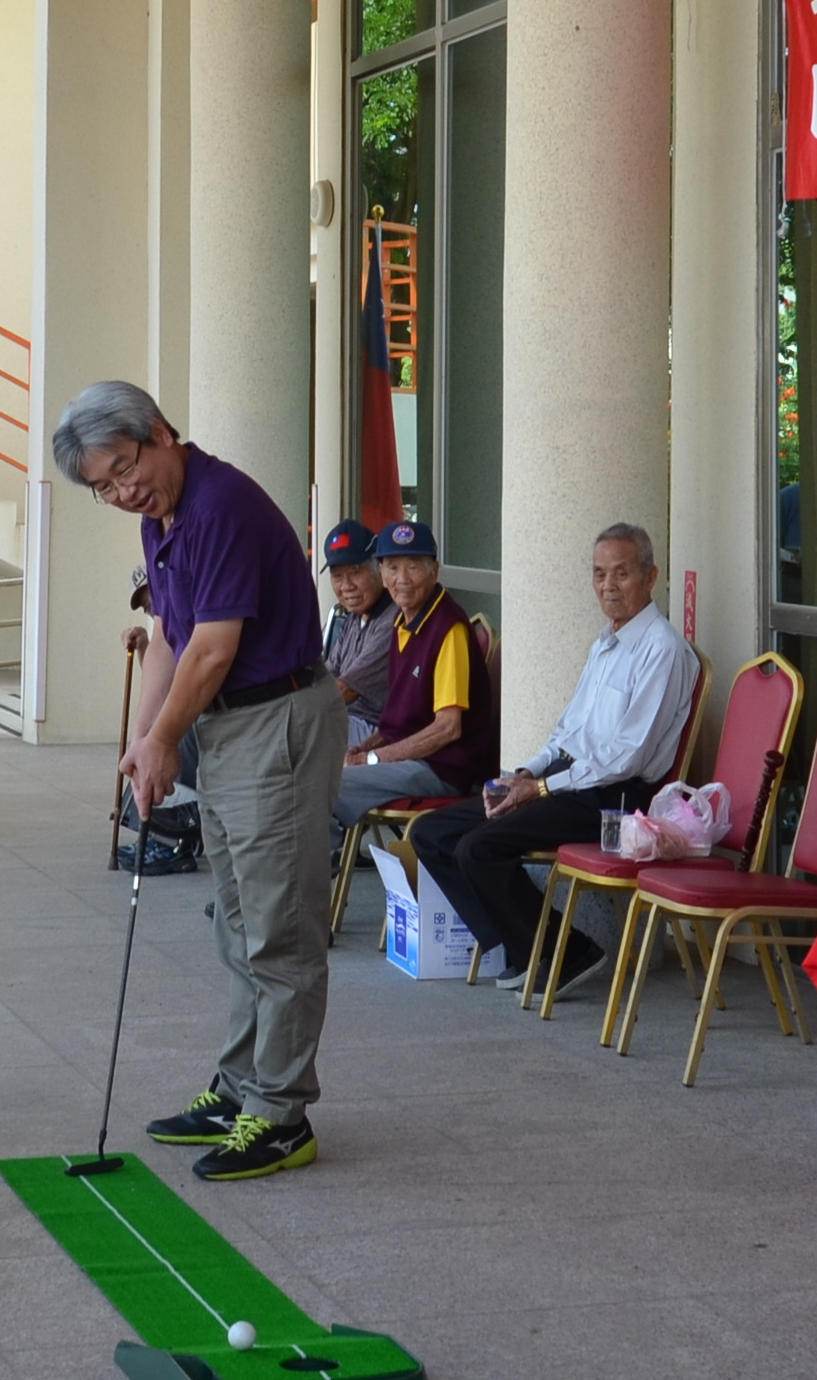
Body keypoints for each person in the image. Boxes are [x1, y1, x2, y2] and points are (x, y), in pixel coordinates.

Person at [55, 381, 337, 1182]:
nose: (121, 492)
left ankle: (280, 1115)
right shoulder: (162, 519)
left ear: (157, 431)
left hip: (272, 719)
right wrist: (145, 743)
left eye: (122, 469)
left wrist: (167, 739)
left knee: (279, 926)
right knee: (239, 914)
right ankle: (241, 1085)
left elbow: (214, 650)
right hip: (229, 724)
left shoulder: (218, 507)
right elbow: (171, 641)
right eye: (103, 487)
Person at [412, 522, 695, 995]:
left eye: (621, 574)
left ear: (650, 577)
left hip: (614, 798)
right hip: (571, 781)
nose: (608, 586)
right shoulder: (605, 643)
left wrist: (540, 790)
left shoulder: (662, 649)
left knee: (479, 847)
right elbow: (569, 732)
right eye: (599, 574)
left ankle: (568, 951)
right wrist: (526, 773)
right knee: (433, 832)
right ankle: (516, 945)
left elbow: (626, 757)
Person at [329, 519, 496, 833]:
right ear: (381, 571)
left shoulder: (449, 628)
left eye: (414, 567)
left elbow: (447, 729)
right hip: (414, 759)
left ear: (435, 569)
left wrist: (376, 758)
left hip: (442, 769)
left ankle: (315, 876)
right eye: (392, 567)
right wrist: (364, 749)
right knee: (316, 774)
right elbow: (401, 719)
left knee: (319, 787)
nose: (401, 579)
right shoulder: (402, 623)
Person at [319, 518, 397, 749]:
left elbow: (345, 691)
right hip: (346, 718)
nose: (347, 585)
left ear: (379, 567)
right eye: (337, 576)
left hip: (376, 731)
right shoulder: (354, 615)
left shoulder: (394, 619)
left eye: (355, 572)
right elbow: (326, 676)